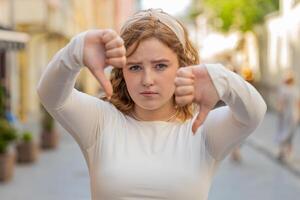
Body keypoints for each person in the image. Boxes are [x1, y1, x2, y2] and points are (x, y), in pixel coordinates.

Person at [37, 9, 266, 200]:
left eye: (160, 66)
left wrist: (222, 78)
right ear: (122, 72)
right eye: (135, 67)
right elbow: (50, 95)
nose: (147, 80)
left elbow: (254, 114)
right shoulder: (101, 121)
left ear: (182, 66)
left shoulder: (202, 128)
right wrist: (74, 52)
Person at [275, 71, 300, 162]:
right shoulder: (296, 90)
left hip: (285, 115)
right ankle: (288, 153)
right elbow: (298, 104)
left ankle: (282, 151)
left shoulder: (283, 89)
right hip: (294, 114)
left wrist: (279, 112)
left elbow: (280, 104)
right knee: (290, 134)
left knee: (283, 132)